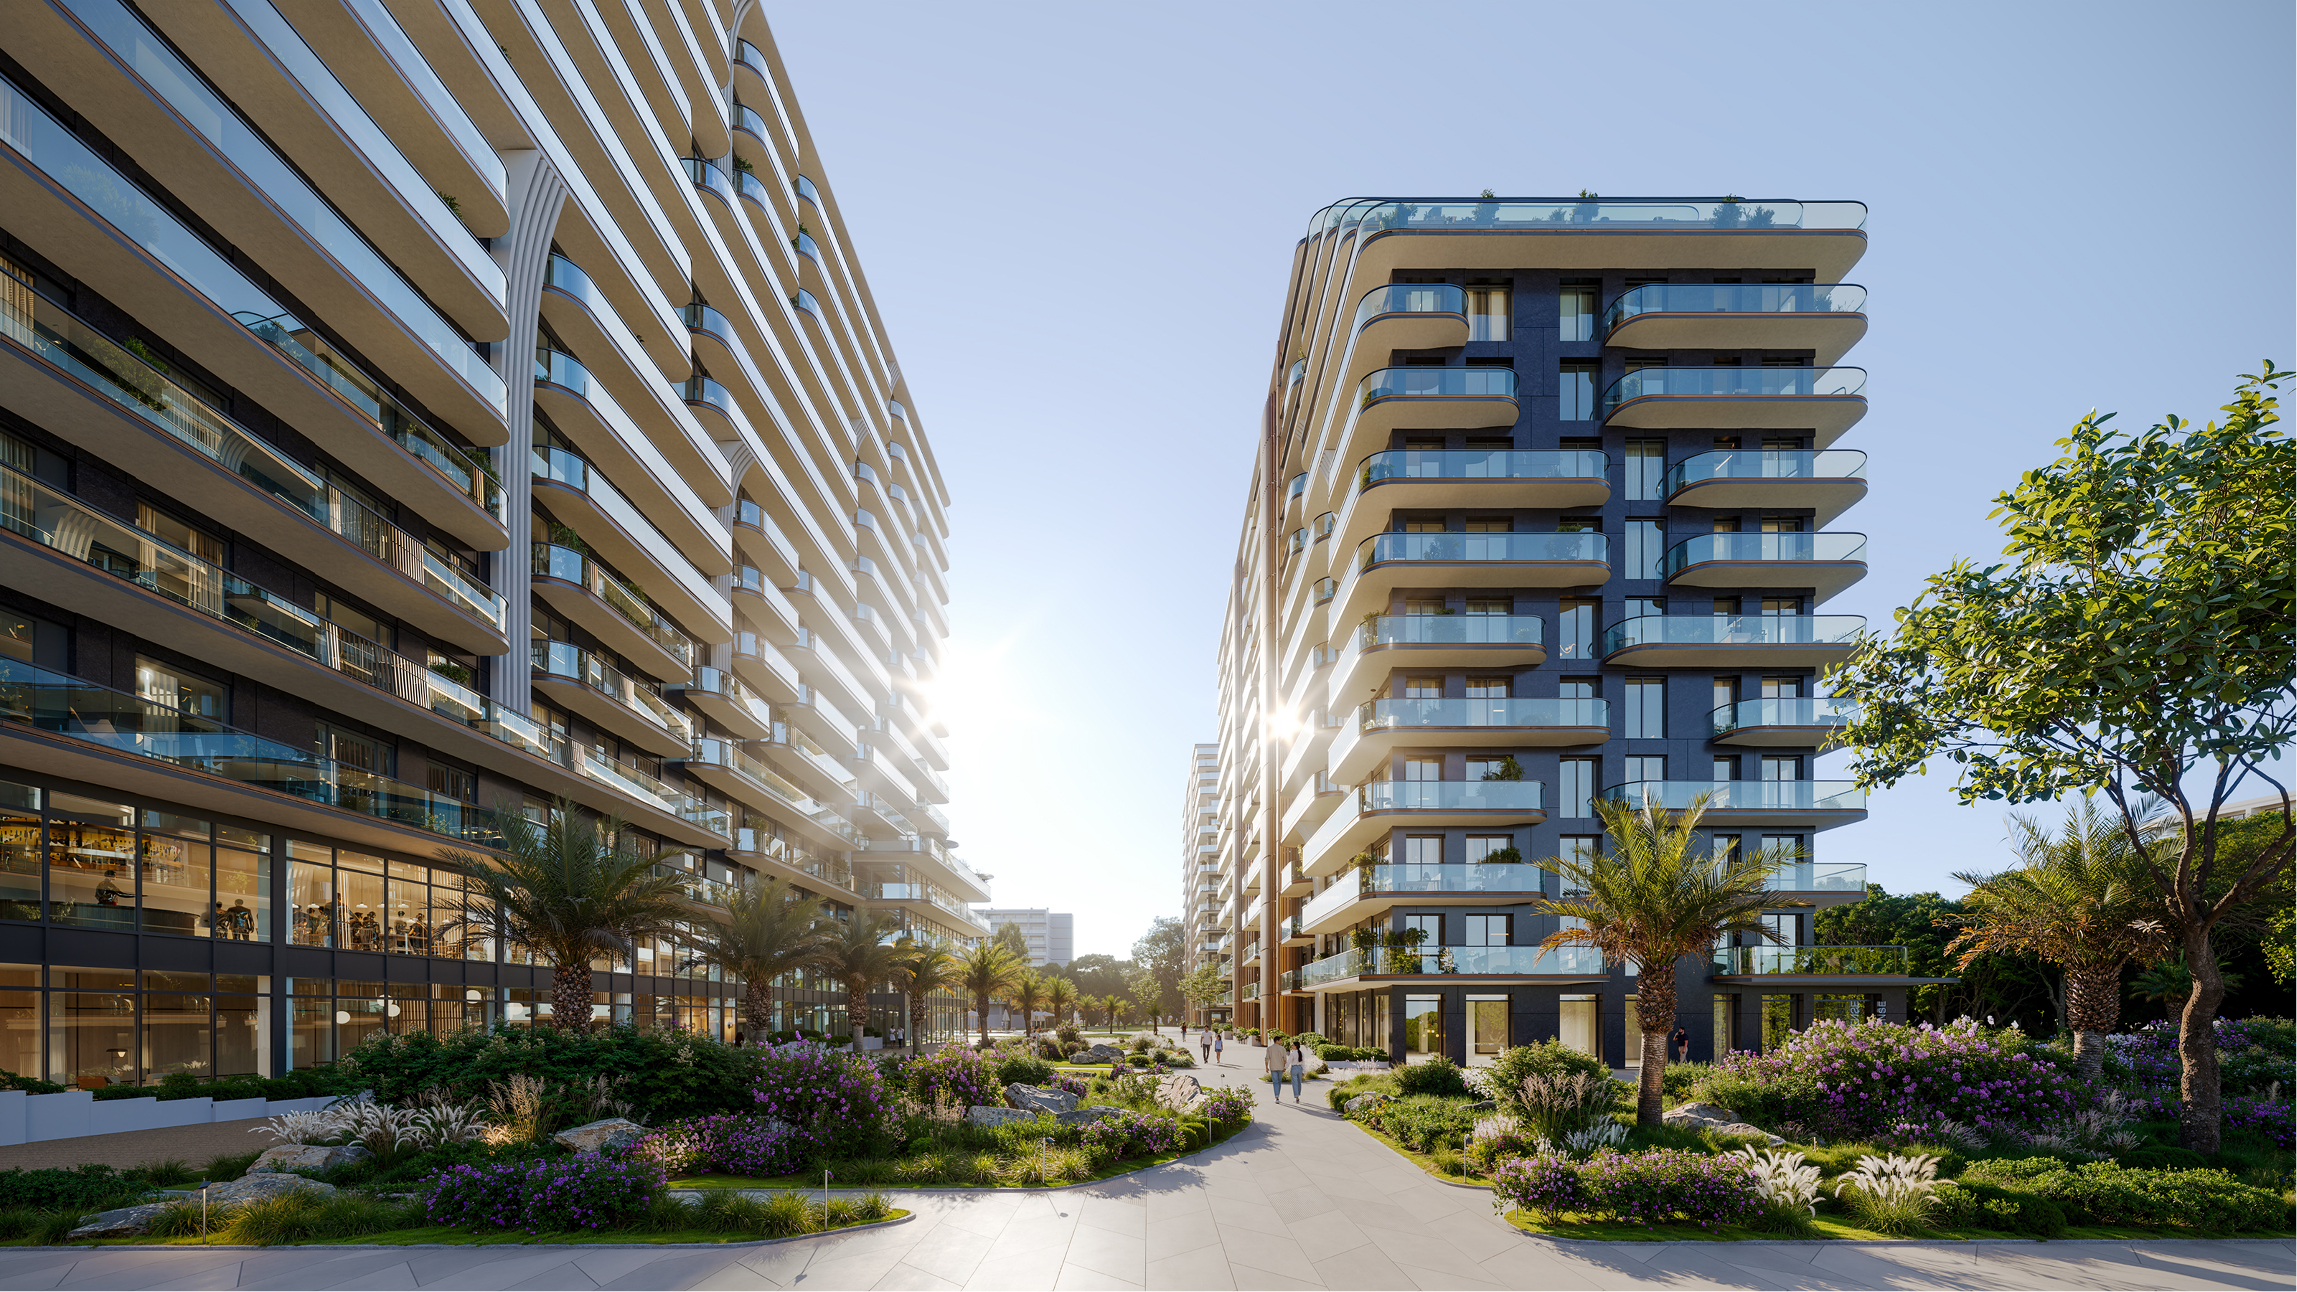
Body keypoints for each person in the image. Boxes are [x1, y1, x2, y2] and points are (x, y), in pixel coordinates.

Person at [1263, 1031, 1288, 1098]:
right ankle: (1277, 1095)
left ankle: (1276, 1096)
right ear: (1277, 1041)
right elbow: (1285, 1059)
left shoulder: (1269, 1048)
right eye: (1280, 1041)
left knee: (1275, 1082)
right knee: (1279, 1082)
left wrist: (1266, 1067)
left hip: (1273, 1067)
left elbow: (1267, 1058)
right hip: (1280, 1067)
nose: (1281, 1042)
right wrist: (1285, 1067)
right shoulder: (1282, 1049)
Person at [1287, 1037, 1307, 1104]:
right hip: (1300, 1068)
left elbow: (1289, 1062)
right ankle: (1298, 1095)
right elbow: (1303, 1063)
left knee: (1294, 1083)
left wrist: (1284, 1068)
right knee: (1299, 1083)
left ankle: (1297, 1097)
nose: (1292, 1046)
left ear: (1295, 1046)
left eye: (1292, 1045)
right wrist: (1303, 1071)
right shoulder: (1302, 1053)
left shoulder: (1292, 1054)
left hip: (1294, 1068)